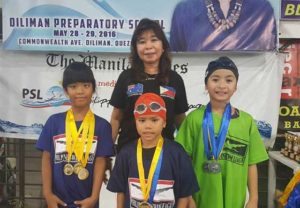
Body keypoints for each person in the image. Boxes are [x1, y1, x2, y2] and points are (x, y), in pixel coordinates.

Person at [175, 56, 269, 208]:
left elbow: (252, 164)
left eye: (229, 80)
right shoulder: (194, 119)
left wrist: (254, 198)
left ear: (236, 86)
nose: (222, 85)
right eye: (215, 79)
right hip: (201, 197)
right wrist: (188, 196)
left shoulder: (246, 121)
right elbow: (184, 161)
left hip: (235, 199)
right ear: (206, 85)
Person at [36, 62, 115, 208]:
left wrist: (94, 197)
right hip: (57, 201)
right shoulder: (54, 122)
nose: (80, 91)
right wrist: (48, 194)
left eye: (86, 85)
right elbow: (46, 159)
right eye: (73, 86)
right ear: (66, 91)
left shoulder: (102, 126)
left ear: (93, 89)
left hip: (87, 202)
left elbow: (100, 162)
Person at [110, 18, 188, 152]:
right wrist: (106, 153)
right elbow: (116, 118)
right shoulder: (126, 77)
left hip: (164, 154)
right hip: (129, 154)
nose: (148, 46)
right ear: (135, 48)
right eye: (142, 42)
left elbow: (181, 121)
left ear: (163, 46)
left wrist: (185, 154)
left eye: (154, 39)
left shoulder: (174, 79)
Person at [107, 93, 199, 207]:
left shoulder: (178, 153)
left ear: (164, 122)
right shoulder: (126, 153)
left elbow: (185, 195)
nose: (148, 126)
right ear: (135, 122)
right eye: (142, 120)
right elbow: (120, 191)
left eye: (154, 120)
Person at [170, 0, 277, 51]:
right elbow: (176, 60)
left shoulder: (262, 9)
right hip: (196, 91)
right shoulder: (184, 10)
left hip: (252, 90)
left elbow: (269, 60)